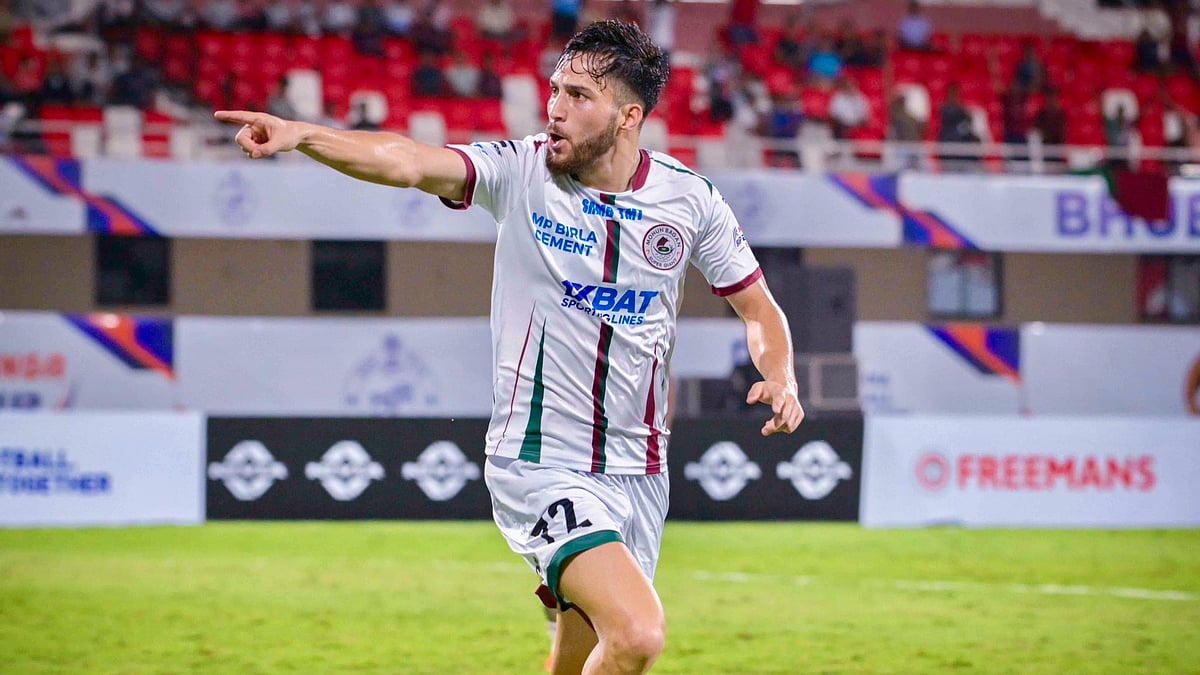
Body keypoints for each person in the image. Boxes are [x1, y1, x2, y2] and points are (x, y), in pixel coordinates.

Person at [215, 20, 804, 675]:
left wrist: (781, 374)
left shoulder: (690, 202)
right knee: (637, 635)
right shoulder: (520, 173)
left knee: (580, 651)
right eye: (555, 89)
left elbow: (758, 307)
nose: (554, 108)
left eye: (579, 96)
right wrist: (304, 136)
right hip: (539, 461)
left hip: (641, 471)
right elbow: (407, 160)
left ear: (629, 116)